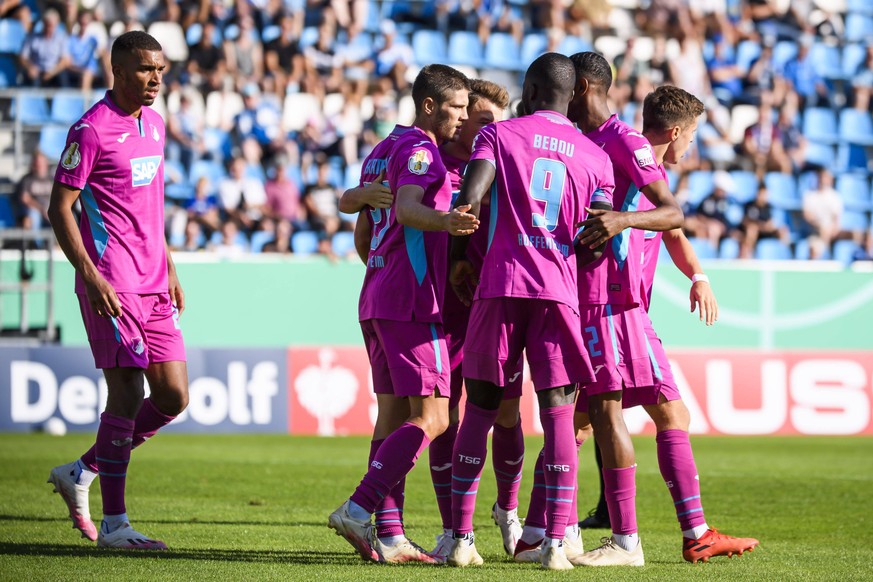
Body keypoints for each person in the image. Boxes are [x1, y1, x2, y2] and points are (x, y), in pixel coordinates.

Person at [524, 61, 758, 566]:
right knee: (607, 414)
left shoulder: (593, 143)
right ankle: (631, 538)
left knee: (588, 420)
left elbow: (668, 231)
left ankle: (540, 529)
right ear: (675, 133)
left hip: (617, 305)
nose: (689, 148)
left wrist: (698, 276)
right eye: (691, 138)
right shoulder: (622, 143)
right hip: (607, 304)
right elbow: (666, 216)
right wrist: (619, 225)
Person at [446, 52, 615, 571]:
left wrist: (457, 259)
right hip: (557, 291)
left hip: (500, 285)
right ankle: (556, 543)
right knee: (559, 411)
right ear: (571, 94)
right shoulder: (596, 158)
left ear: (532, 88)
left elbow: (470, 198)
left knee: (479, 409)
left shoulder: (498, 135)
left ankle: (459, 538)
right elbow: (599, 237)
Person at [516, 52, 685, 568]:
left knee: (604, 411)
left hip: (608, 300)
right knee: (572, 417)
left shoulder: (624, 139)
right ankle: (547, 529)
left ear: (582, 86)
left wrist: (621, 221)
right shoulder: (577, 143)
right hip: (574, 293)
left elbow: (672, 211)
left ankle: (627, 540)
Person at [328, 64, 477, 565]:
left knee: (392, 418)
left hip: (376, 294)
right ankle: (358, 506)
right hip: (412, 300)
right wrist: (449, 222)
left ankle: (389, 534)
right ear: (430, 106)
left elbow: (362, 221)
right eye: (457, 107)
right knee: (434, 417)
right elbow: (412, 209)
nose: (463, 116)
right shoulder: (420, 151)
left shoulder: (382, 150)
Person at [46, 31, 188, 550]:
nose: (155, 79)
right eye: (146, 69)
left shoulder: (156, 124)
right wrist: (90, 274)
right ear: (118, 69)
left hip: (153, 281)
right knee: (127, 392)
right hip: (112, 282)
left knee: (173, 396)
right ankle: (115, 524)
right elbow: (59, 209)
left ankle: (82, 469)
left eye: (161, 70)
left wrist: (169, 263)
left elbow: (149, 203)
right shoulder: (90, 130)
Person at [425, 79, 525, 562]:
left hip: (493, 306)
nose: (475, 124)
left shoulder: (504, 165)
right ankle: (451, 529)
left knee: (507, 413)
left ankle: (508, 511)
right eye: (475, 117)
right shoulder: (426, 164)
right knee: (446, 419)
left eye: (486, 120)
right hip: (440, 310)